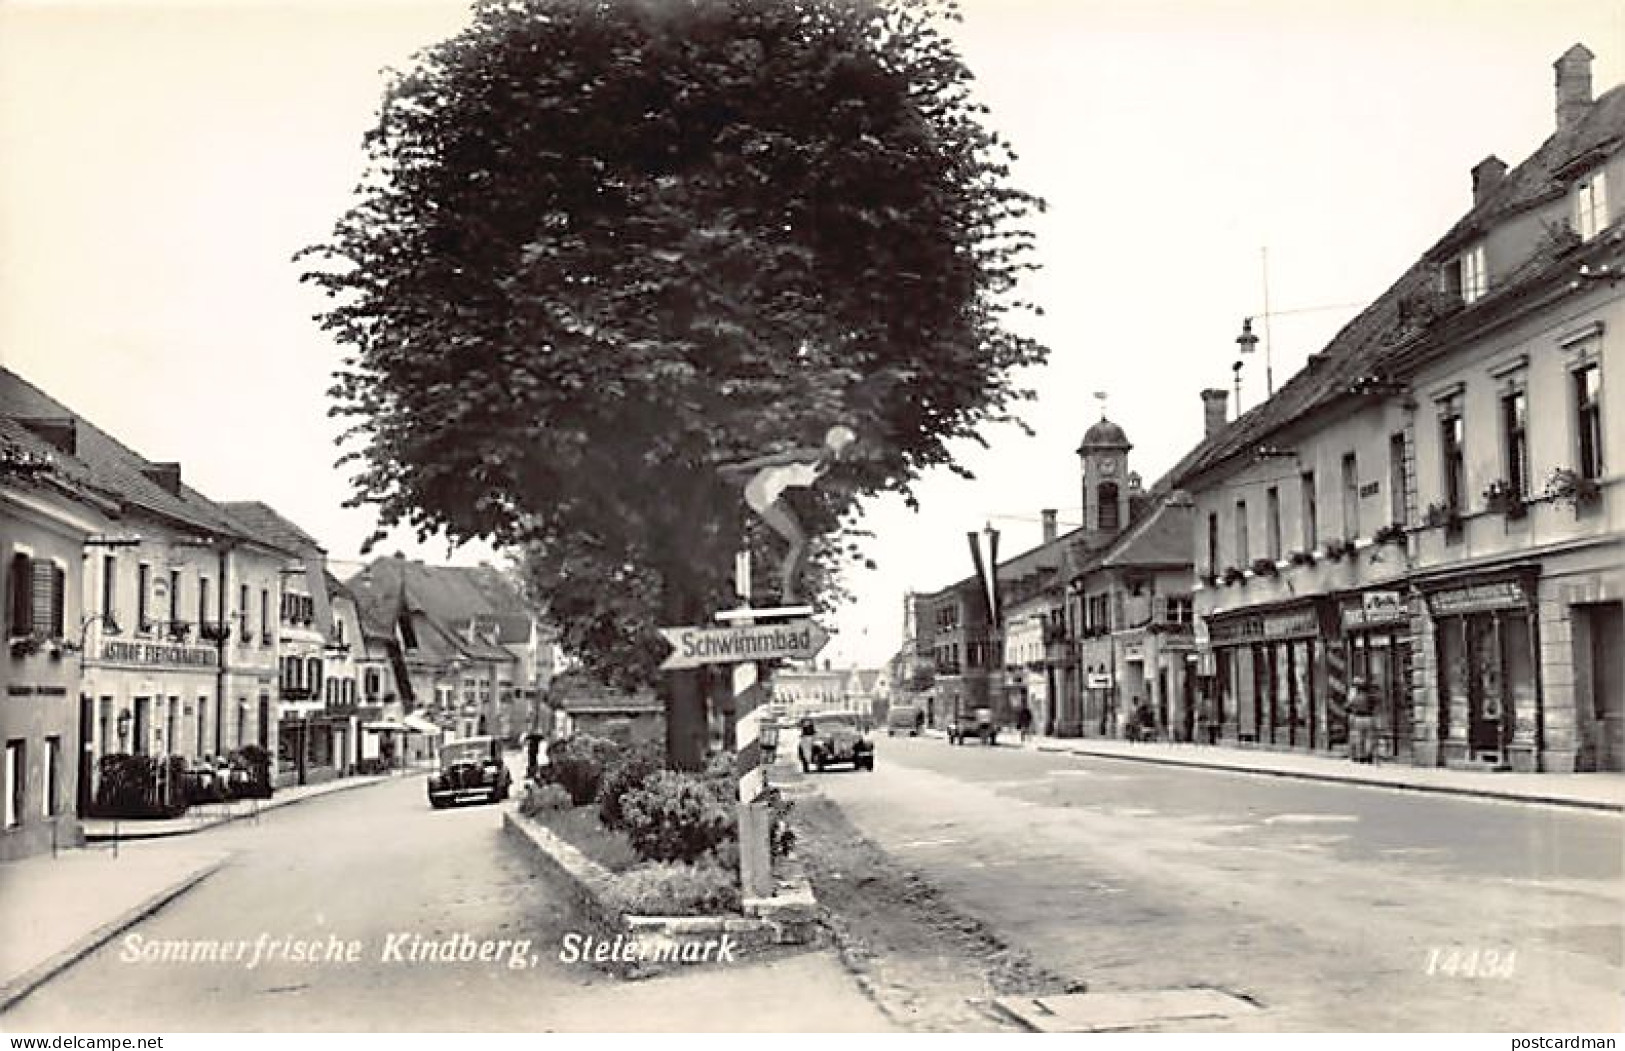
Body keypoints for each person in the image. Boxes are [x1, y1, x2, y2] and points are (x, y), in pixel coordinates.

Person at [718, 425, 858, 604]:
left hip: (770, 492)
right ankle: (787, 593)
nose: (851, 453)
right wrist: (740, 468)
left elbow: (784, 475)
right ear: (839, 445)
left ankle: (789, 588)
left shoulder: (825, 465)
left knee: (802, 542)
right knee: (799, 542)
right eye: (849, 447)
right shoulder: (813, 456)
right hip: (762, 493)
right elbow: (777, 460)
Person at [1348, 679, 1377, 763]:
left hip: (1358, 718)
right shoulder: (1369, 697)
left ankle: (1361, 756)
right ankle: (1369, 756)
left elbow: (1347, 706)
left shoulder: (1355, 698)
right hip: (1369, 718)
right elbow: (1374, 704)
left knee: (1359, 737)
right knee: (1369, 737)